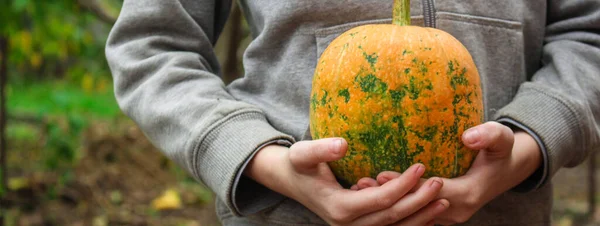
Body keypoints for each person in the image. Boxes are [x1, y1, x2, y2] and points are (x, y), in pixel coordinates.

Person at [105, 0, 600, 225]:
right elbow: (153, 47)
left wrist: (530, 144)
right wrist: (263, 160)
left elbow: (588, 36)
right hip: (288, 216)